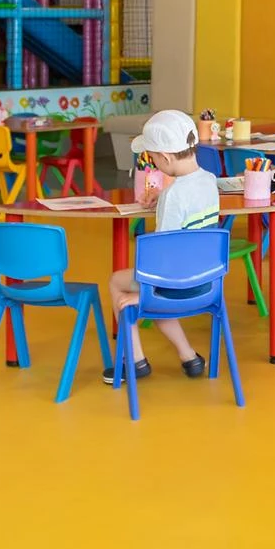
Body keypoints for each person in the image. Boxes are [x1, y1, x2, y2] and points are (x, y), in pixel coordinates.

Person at [104, 109, 215, 386]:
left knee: (118, 282)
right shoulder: (209, 180)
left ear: (165, 158)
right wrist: (163, 194)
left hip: (176, 286)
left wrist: (144, 292)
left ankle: (135, 360)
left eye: (152, 158)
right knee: (151, 294)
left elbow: (162, 256)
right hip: (207, 283)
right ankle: (189, 357)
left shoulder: (174, 195)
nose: (152, 162)